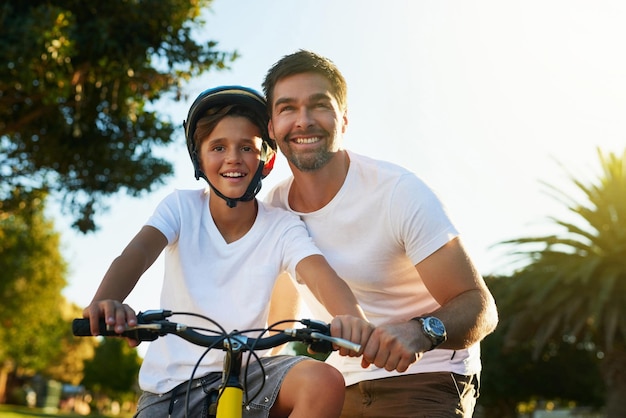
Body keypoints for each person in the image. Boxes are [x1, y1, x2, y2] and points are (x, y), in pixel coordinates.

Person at [82, 85, 373, 418]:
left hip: (249, 380)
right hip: (172, 389)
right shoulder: (181, 208)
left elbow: (319, 273)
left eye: (247, 147)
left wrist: (350, 316)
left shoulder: (282, 226)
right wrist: (105, 301)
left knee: (322, 381)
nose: (233, 157)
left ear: (267, 158)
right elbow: (136, 255)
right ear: (199, 158)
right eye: (218, 147)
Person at [263, 50, 499, 417]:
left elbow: (481, 307)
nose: (303, 121)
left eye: (319, 105)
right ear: (271, 127)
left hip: (428, 375)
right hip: (340, 382)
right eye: (287, 108)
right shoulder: (274, 207)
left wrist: (419, 331)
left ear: (343, 119)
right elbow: (279, 314)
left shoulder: (397, 192)